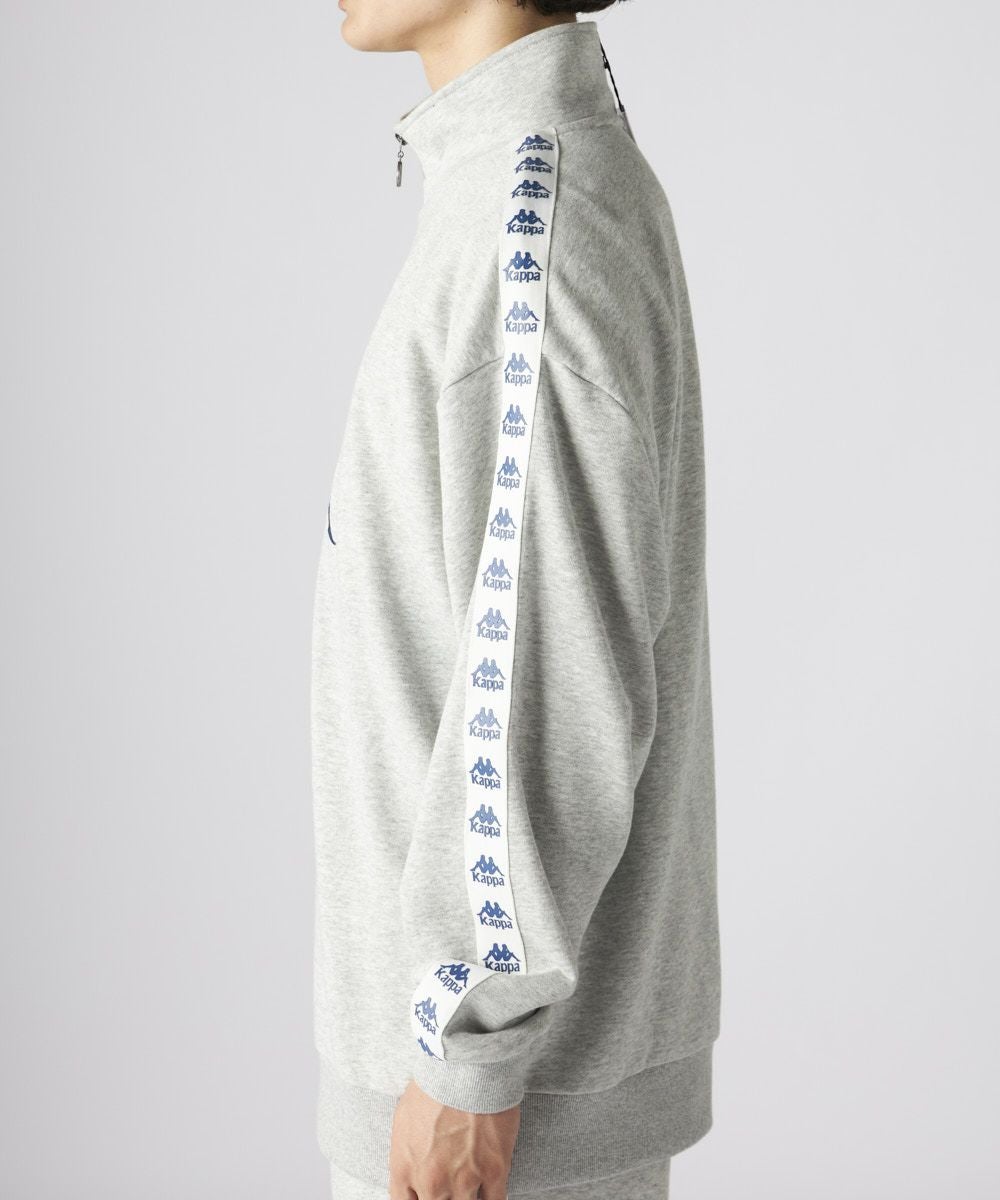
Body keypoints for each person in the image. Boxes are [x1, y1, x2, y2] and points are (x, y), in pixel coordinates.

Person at [311, 3, 721, 1198]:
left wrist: (469, 1058)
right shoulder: (506, 188)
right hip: (481, 1085)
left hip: (489, 1112)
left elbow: (548, 674)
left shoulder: (529, 221)